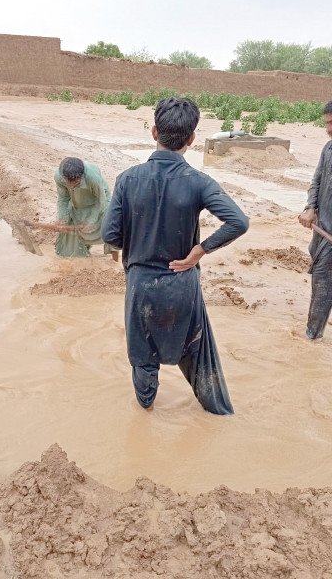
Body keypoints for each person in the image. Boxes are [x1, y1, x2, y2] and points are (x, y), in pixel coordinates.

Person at [101, 97, 249, 415]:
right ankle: (218, 415)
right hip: (183, 284)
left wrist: (125, 247)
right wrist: (200, 250)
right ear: (192, 139)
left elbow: (109, 237)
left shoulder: (127, 179)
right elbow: (239, 221)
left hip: (141, 287)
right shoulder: (198, 182)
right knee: (199, 357)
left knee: (142, 359)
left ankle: (145, 413)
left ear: (154, 132)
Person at [298, 100, 332, 339]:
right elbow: (316, 181)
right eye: (327, 124)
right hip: (323, 232)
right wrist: (311, 207)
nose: (328, 129)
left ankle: (312, 338)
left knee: (322, 285)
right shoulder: (328, 149)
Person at [49, 157, 119, 260]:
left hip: (99, 199)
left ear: (81, 176)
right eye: (68, 182)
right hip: (78, 200)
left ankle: (114, 259)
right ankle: (82, 254)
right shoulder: (58, 176)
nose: (71, 185)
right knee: (69, 239)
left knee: (108, 227)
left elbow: (101, 201)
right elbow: (63, 199)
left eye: (75, 181)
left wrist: (91, 221)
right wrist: (62, 219)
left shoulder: (92, 178)